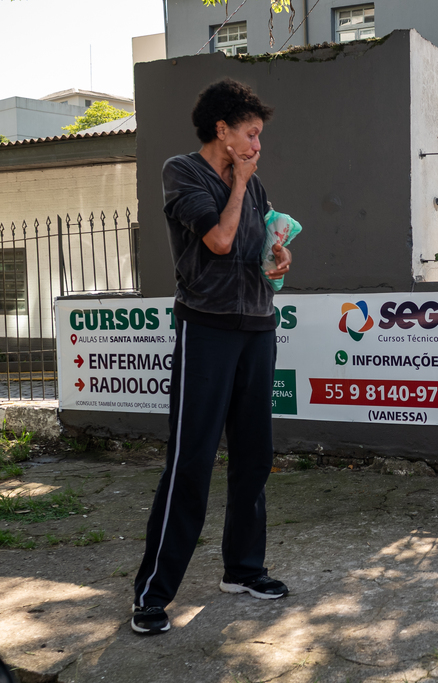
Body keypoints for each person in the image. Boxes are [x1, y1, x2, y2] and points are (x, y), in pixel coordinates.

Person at [132, 79, 293, 635]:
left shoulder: (256, 186)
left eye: (259, 137)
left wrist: (278, 258)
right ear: (222, 130)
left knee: (255, 454)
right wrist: (240, 182)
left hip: (257, 326)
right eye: (250, 134)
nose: (256, 146)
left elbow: (255, 253)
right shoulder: (183, 172)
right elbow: (219, 242)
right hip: (207, 329)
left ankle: (244, 569)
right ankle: (153, 593)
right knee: (191, 461)